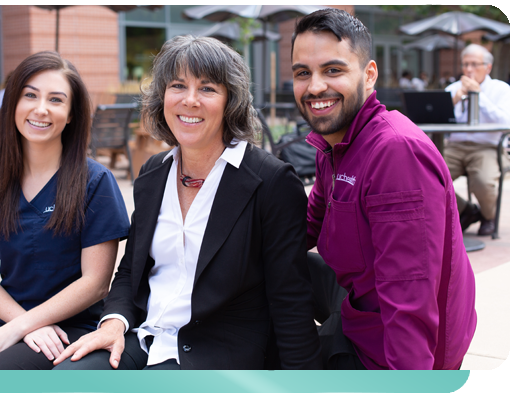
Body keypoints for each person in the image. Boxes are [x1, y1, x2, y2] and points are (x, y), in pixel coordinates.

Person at [53, 35, 322, 370]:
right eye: (178, 86)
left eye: (208, 88)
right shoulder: (154, 172)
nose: (190, 100)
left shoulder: (271, 181)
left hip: (217, 353)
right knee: (65, 378)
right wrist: (114, 322)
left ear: (230, 101)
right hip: (144, 337)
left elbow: (290, 298)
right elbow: (130, 270)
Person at [290, 8, 476, 369]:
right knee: (272, 262)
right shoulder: (333, 143)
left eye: (333, 70)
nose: (314, 87)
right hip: (362, 300)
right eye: (302, 73)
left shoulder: (394, 153)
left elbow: (409, 298)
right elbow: (306, 226)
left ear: (369, 75)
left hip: (394, 344)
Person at [0, 51, 130, 370]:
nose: (41, 109)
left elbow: (96, 283)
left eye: (56, 100)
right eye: (30, 95)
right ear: (12, 105)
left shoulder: (95, 182)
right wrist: (23, 324)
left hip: (73, 329)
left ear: (72, 114)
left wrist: (25, 326)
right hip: (8, 323)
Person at [444, 43, 510, 235]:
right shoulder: (454, 88)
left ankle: (489, 216)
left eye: (474, 64)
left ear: (488, 67)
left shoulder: (501, 90)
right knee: (427, 176)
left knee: (482, 181)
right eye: (465, 65)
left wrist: (478, 96)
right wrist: (454, 100)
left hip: (487, 147)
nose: (469, 70)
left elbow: (506, 121)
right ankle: (467, 210)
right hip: (454, 147)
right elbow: (438, 120)